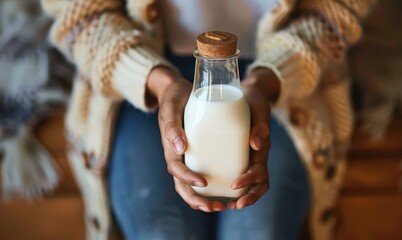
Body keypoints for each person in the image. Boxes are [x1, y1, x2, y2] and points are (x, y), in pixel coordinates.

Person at [42, 0, 375, 239]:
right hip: (138, 69)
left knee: (259, 232)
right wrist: (160, 82)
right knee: (160, 231)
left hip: (287, 71)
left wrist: (267, 80)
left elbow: (336, 12)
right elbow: (81, 17)